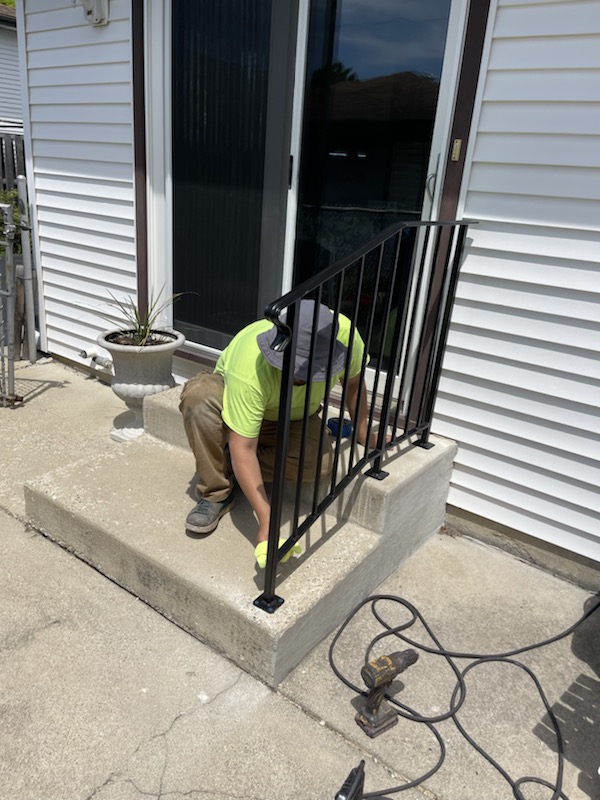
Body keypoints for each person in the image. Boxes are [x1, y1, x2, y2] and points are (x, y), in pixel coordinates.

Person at [178, 299, 373, 567]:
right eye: (294, 370)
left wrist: (363, 432)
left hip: (294, 417)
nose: (300, 380)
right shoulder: (250, 365)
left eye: (310, 371)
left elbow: (353, 383)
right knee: (200, 398)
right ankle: (216, 492)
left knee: (320, 464)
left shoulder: (346, 337)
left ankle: (230, 465)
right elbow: (243, 446)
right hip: (236, 403)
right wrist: (267, 521)